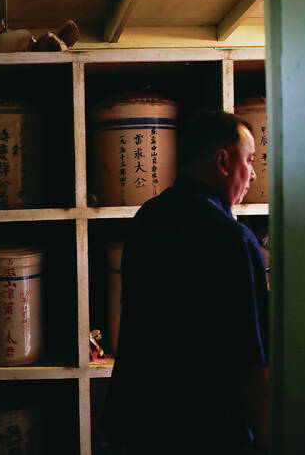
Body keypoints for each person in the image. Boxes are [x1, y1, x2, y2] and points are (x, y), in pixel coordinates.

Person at [102, 110, 270, 454]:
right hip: (209, 433)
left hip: (137, 427)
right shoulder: (234, 241)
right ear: (223, 161)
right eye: (249, 160)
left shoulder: (147, 219)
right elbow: (255, 362)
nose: (253, 174)